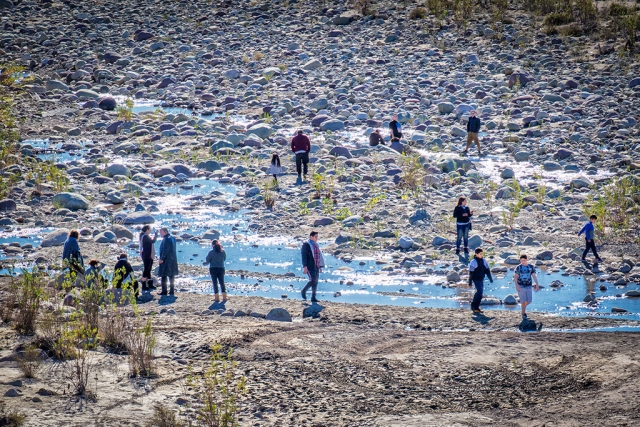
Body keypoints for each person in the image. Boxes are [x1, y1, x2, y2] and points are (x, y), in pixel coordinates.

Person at [301, 231, 325, 303]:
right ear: (311, 237)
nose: (317, 238)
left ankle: (313, 297)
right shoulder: (306, 244)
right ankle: (304, 291)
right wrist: (305, 266)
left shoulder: (316, 245)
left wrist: (320, 265)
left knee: (316, 281)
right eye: (315, 236)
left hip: (316, 265)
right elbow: (304, 256)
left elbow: (318, 255)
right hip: (310, 265)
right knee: (313, 280)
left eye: (317, 236)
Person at [513, 254, 539, 319]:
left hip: (529, 286)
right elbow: (516, 277)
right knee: (523, 300)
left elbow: (533, 275)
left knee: (529, 300)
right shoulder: (518, 267)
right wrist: (516, 286)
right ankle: (523, 313)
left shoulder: (531, 267)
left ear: (527, 259)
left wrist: (537, 284)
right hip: (521, 286)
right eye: (521, 260)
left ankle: (522, 308)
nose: (523, 262)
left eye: (524, 260)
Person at [468, 248, 493, 314]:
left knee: (481, 293)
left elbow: (487, 270)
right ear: (476, 254)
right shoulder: (473, 262)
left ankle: (477, 308)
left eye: (482, 254)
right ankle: (473, 305)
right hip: (475, 279)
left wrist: (490, 278)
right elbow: (471, 273)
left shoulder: (483, 261)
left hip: (481, 278)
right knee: (479, 291)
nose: (481, 255)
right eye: (480, 254)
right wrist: (470, 282)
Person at [158, 227, 179, 296]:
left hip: (166, 260)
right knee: (171, 275)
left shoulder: (166, 239)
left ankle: (164, 291)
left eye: (161, 232)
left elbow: (165, 250)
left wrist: (162, 259)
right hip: (173, 259)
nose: (160, 234)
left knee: (163, 275)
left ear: (165, 231)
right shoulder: (173, 238)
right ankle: (172, 290)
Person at [139, 225, 158, 292]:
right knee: (146, 269)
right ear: (147, 230)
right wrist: (156, 235)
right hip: (147, 255)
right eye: (149, 229)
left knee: (149, 269)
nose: (150, 231)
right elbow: (153, 241)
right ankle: (144, 284)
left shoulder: (143, 236)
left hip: (147, 254)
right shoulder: (145, 236)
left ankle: (150, 283)